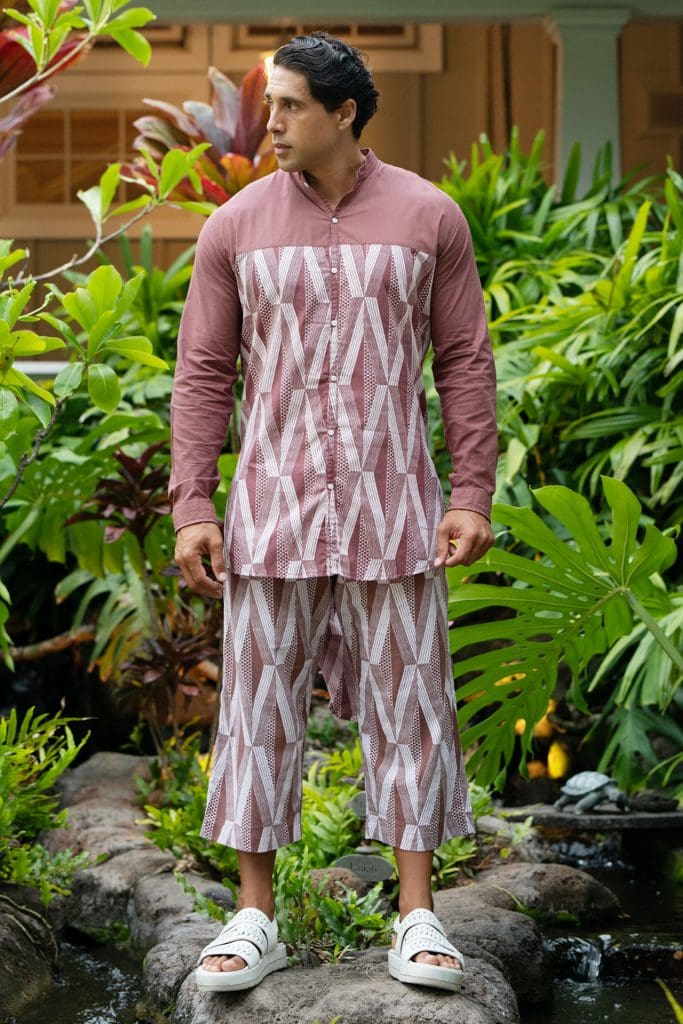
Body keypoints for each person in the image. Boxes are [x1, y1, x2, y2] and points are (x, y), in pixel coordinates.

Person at [169, 31, 497, 996]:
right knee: (259, 712)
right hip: (269, 513)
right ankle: (254, 916)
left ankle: (417, 917)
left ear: (345, 112)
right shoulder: (233, 227)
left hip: (396, 511)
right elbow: (202, 373)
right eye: (270, 104)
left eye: (289, 106)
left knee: (412, 709)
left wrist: (470, 492)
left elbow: (464, 362)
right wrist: (193, 505)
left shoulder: (429, 217)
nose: (268, 122)